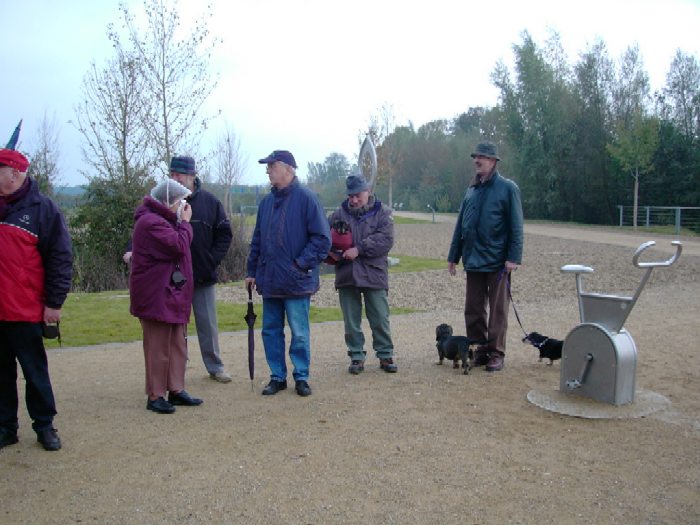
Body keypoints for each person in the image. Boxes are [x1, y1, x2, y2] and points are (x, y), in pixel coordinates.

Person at [125, 156, 233, 383]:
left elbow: (224, 234)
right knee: (174, 328)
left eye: (180, 175)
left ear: (192, 176)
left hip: (201, 275)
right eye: (172, 174)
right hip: (171, 280)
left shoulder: (210, 202)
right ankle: (176, 372)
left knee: (207, 325)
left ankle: (215, 366)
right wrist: (131, 250)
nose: (175, 178)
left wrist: (210, 260)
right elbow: (143, 229)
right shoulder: (163, 201)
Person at [0, 148, 72, 451]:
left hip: (26, 309)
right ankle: (6, 427)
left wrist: (54, 303)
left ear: (14, 173)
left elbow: (60, 258)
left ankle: (44, 425)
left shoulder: (44, 210)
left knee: (34, 372)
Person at [245, 150, 331, 397]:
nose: (268, 171)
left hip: (296, 281)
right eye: (268, 167)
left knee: (299, 333)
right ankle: (277, 376)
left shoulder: (307, 199)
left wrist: (299, 265)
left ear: (288, 169)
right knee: (270, 331)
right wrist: (252, 271)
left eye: (272, 167)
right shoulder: (266, 204)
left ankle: (301, 376)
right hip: (270, 280)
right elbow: (257, 241)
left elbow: (322, 239)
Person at [447, 142, 523, 372]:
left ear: (493, 161)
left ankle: (496, 352)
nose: (477, 160)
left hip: (498, 261)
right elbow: (461, 225)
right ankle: (479, 349)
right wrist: (453, 255)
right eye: (475, 157)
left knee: (498, 311)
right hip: (473, 259)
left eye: (481, 157)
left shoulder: (507, 188)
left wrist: (513, 257)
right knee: (473, 309)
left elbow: (516, 226)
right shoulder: (471, 190)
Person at [130, 178, 203, 414]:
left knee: (177, 344)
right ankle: (156, 395)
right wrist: (185, 223)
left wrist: (181, 223)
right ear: (168, 201)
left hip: (172, 294)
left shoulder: (165, 221)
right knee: (158, 347)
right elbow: (178, 246)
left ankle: (176, 389)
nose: (183, 206)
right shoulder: (150, 223)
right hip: (156, 294)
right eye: (180, 201)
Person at [327, 175, 397, 375]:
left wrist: (358, 249)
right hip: (347, 274)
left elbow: (386, 240)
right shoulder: (337, 215)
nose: (354, 200)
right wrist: (331, 252)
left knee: (380, 317)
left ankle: (385, 354)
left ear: (368, 191)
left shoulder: (383, 213)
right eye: (351, 196)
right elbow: (322, 237)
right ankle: (356, 356)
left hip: (374, 274)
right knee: (351, 321)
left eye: (358, 195)